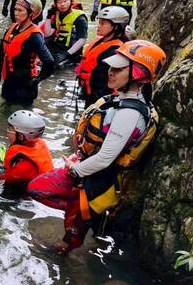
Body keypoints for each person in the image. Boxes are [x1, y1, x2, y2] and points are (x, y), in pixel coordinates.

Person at [28, 40, 166, 253]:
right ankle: (79, 214)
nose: (110, 72)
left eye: (118, 69)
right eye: (111, 67)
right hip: (91, 170)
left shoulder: (130, 114)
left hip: (99, 179)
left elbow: (105, 158)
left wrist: (75, 171)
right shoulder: (121, 99)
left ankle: (67, 250)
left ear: (138, 73)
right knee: (69, 210)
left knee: (44, 196)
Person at [0, 0, 55, 107]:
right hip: (10, 81)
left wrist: (37, 80)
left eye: (20, 10)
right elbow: (3, 53)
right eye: (15, 9)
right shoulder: (12, 28)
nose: (16, 13)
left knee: (23, 118)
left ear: (31, 14)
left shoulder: (34, 36)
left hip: (25, 85)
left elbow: (49, 62)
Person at [76, 6, 130, 107]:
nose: (98, 26)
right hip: (91, 93)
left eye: (103, 23)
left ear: (116, 27)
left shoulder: (116, 51)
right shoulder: (101, 41)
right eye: (99, 22)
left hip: (102, 97)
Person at [0, 110, 53, 186]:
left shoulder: (25, 166)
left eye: (10, 130)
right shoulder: (39, 143)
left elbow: (3, 179)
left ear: (21, 136)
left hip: (31, 194)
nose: (8, 132)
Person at [43, 0, 88, 66]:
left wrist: (66, 54)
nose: (62, 4)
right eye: (59, 2)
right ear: (56, 4)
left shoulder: (80, 18)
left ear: (71, 2)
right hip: (58, 47)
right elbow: (47, 33)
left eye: (65, 1)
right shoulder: (57, 14)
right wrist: (48, 17)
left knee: (57, 65)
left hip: (71, 51)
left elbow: (82, 39)